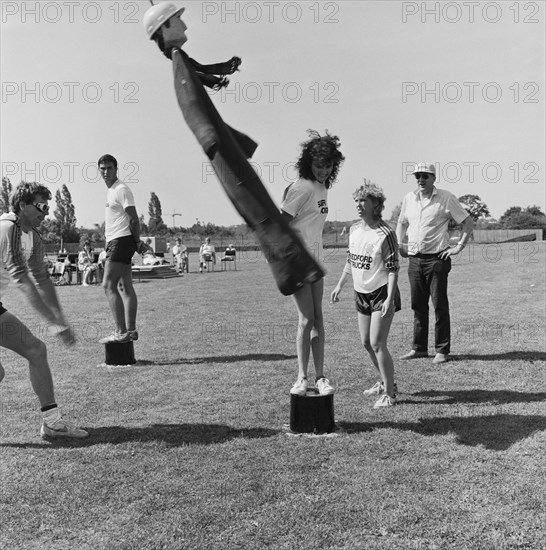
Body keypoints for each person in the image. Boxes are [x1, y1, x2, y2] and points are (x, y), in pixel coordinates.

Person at [0, 181, 88, 439]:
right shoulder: (9, 227)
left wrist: (60, 319)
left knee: (36, 350)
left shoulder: (33, 235)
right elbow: (22, 280)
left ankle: (51, 423)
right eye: (40, 206)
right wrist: (54, 323)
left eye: (48, 207)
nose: (46, 212)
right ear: (23, 205)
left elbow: (42, 279)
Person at [280, 130, 345, 396]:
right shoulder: (300, 188)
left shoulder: (323, 186)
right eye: (318, 165)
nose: (322, 170)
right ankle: (301, 378)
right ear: (308, 162)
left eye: (328, 165)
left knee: (318, 318)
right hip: (298, 261)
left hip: (316, 261)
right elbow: (279, 225)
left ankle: (320, 378)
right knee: (306, 319)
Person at [331, 181, 401, 408]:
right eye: (357, 201)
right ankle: (384, 381)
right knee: (366, 343)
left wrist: (390, 299)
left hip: (382, 293)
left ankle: (390, 394)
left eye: (364, 201)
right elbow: (351, 261)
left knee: (378, 343)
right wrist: (340, 285)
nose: (359, 205)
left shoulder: (386, 233)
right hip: (361, 293)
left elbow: (393, 269)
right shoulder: (353, 230)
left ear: (376, 205)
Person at [396, 162, 474, 364]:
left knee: (439, 305)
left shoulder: (446, 197)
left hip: (437, 259)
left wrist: (458, 247)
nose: (420, 180)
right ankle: (419, 348)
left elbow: (467, 222)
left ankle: (442, 350)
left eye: (425, 176)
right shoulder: (409, 198)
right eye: (417, 176)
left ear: (433, 178)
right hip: (415, 259)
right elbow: (402, 222)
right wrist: (399, 244)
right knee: (418, 306)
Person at [98, 154, 151, 344]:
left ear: (116, 169)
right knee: (124, 286)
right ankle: (131, 330)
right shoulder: (111, 191)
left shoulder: (121, 189)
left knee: (108, 285)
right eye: (102, 168)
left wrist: (137, 242)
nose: (106, 172)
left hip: (121, 241)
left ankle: (121, 332)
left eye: (109, 168)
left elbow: (134, 219)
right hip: (118, 241)